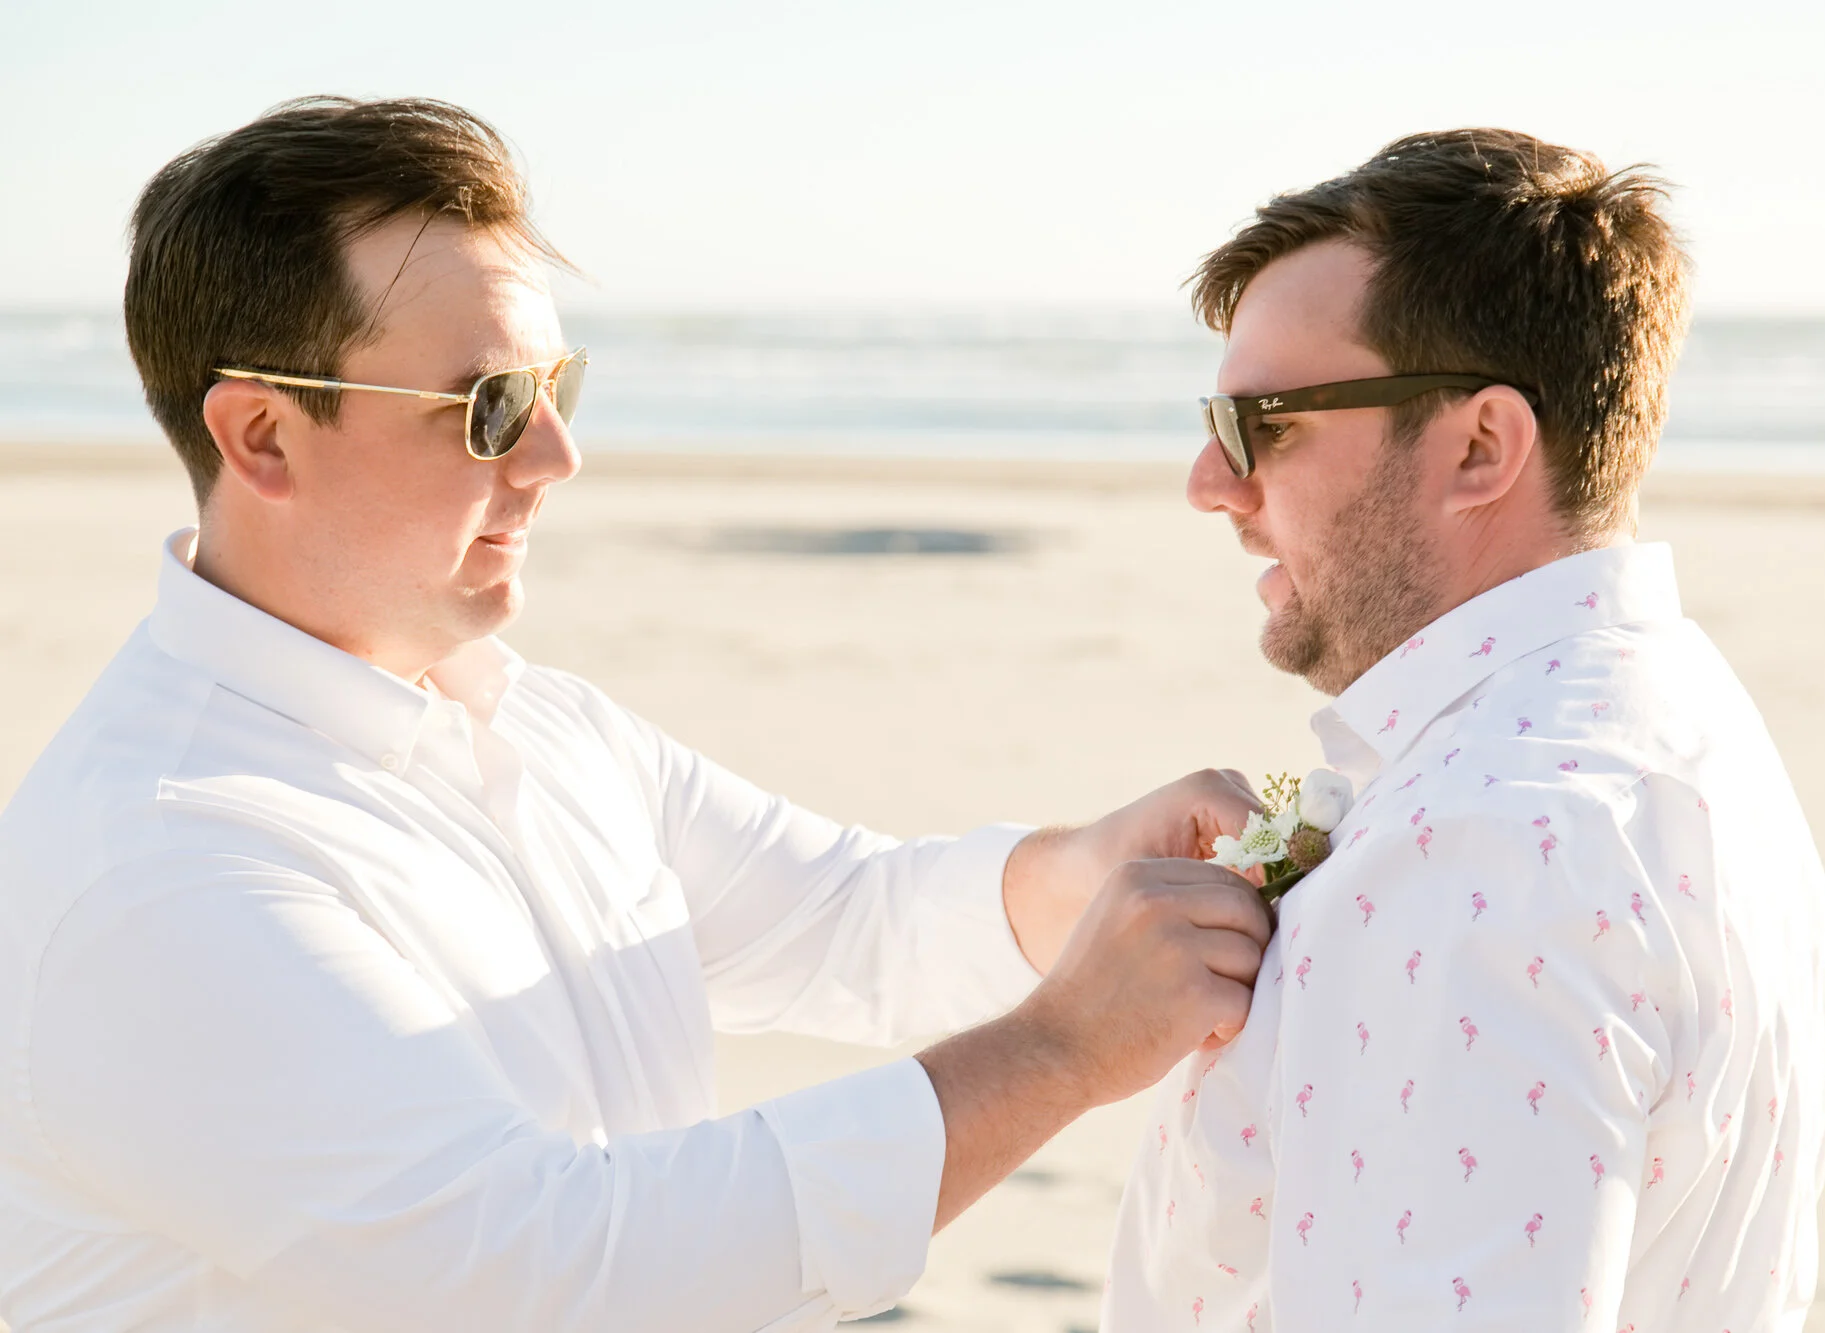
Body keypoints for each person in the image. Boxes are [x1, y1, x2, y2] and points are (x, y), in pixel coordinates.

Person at [0, 97, 1274, 1332]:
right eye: (489, 406)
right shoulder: (163, 868)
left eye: (560, 388)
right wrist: (1060, 1051)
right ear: (263, 435)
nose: (553, 457)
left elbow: (846, 919)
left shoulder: (543, 726)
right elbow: (558, 1277)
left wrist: (1100, 870)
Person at [1104, 129, 1825, 1330]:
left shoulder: (1484, 850)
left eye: (1264, 424)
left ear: (1479, 447)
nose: (1208, 480)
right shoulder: (1688, 723)